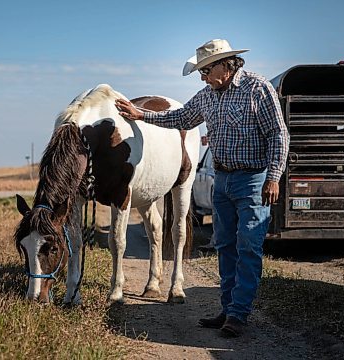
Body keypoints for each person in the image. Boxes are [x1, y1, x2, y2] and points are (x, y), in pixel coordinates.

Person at [115, 39, 289, 338]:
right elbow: (180, 118)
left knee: (248, 245)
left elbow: (278, 133)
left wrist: (274, 177)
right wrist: (142, 115)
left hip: (253, 180)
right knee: (224, 244)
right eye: (200, 72)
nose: (202, 77)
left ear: (226, 64)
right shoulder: (208, 95)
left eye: (205, 70)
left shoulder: (258, 89)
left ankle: (238, 313)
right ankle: (228, 307)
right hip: (221, 180)